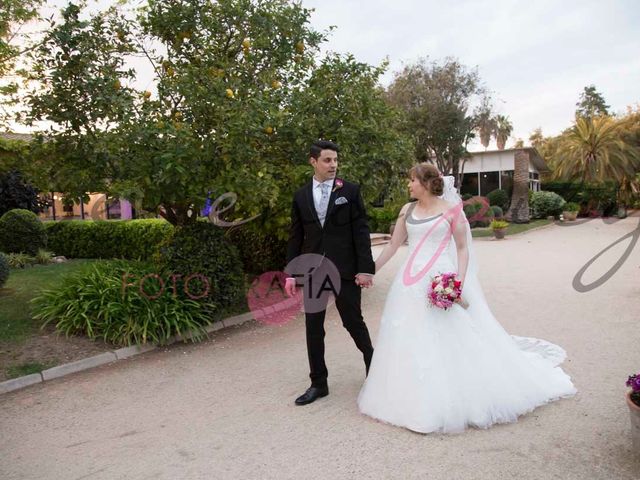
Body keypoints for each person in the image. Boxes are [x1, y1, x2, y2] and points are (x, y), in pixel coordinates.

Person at [357, 162, 577, 434]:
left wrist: (457, 283)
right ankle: (407, 396)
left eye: (411, 180)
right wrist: (371, 272)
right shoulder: (407, 210)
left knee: (447, 336)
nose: (408, 184)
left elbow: (462, 248)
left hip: (441, 280)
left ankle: (451, 397)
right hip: (408, 283)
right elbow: (393, 245)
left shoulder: (451, 211)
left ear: (425, 183)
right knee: (407, 333)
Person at [285, 140, 376, 406]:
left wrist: (365, 269)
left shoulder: (350, 190)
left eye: (335, 160)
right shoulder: (301, 196)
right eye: (327, 160)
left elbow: (361, 231)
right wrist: (291, 271)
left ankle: (374, 366)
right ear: (313, 161)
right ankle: (318, 383)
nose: (333, 165)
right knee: (313, 327)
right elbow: (296, 236)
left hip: (346, 269)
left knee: (353, 321)